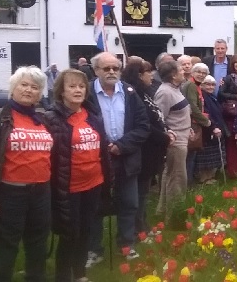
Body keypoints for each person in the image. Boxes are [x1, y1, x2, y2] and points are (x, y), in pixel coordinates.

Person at [44, 69, 112, 282]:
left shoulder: (92, 117)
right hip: (68, 187)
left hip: (93, 184)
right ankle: (63, 276)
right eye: (72, 86)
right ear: (61, 91)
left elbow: (103, 151)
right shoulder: (51, 118)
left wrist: (108, 181)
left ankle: (80, 273)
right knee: (69, 234)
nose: (77, 90)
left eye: (81, 86)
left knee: (85, 231)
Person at [0, 67, 52, 281]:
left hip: (41, 193)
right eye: (23, 85)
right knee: (7, 247)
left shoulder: (43, 119)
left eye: (35, 87)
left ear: (40, 93)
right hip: (10, 194)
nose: (29, 90)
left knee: (38, 246)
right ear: (13, 88)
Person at [87, 52, 150, 265]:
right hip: (95, 158)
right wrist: (103, 146)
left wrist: (121, 146)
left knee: (129, 203)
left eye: (115, 68)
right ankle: (93, 250)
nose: (112, 72)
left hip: (126, 157)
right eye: (106, 68)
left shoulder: (130, 93)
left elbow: (143, 126)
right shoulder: (86, 92)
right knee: (95, 205)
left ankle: (126, 244)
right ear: (96, 70)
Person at [121, 59, 174, 236]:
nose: (151, 75)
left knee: (143, 191)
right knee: (140, 193)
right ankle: (138, 228)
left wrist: (166, 131)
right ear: (138, 75)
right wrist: (164, 137)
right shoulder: (134, 94)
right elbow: (145, 124)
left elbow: (156, 117)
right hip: (144, 150)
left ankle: (142, 224)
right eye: (147, 72)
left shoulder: (145, 92)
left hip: (153, 150)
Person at [154, 61, 191, 219]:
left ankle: (162, 210)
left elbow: (177, 112)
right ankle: (175, 216)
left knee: (170, 175)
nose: (184, 71)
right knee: (177, 178)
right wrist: (169, 134)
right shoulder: (165, 92)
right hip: (175, 141)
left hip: (182, 135)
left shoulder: (175, 89)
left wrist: (187, 127)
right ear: (173, 75)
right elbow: (159, 118)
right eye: (180, 69)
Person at [218, 54, 237, 178]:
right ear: (232, 64)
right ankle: (233, 171)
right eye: (236, 62)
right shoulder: (228, 78)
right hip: (232, 114)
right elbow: (221, 94)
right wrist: (236, 96)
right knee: (232, 142)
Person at [196, 75, 229, 183]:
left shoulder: (212, 96)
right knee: (206, 157)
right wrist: (213, 127)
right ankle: (205, 178)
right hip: (208, 129)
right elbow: (206, 114)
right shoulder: (203, 98)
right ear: (202, 85)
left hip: (216, 128)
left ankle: (210, 177)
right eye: (207, 84)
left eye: (213, 85)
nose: (210, 87)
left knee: (213, 156)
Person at [183, 63, 211, 184]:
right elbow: (193, 107)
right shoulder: (191, 86)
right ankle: (188, 183)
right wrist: (206, 122)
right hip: (191, 124)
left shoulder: (196, 85)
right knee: (190, 155)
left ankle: (189, 181)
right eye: (199, 72)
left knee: (191, 155)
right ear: (193, 72)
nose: (201, 75)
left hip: (194, 122)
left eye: (204, 73)